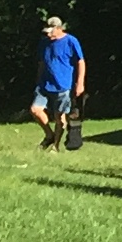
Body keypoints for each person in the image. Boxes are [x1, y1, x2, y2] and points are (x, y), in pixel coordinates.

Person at [30, 14, 86, 149]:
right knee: (35, 110)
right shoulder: (44, 43)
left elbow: (81, 62)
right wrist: (38, 80)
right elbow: (42, 62)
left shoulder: (71, 41)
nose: (49, 35)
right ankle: (49, 135)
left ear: (59, 28)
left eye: (51, 32)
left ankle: (56, 146)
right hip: (44, 84)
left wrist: (80, 83)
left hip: (63, 85)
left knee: (59, 116)